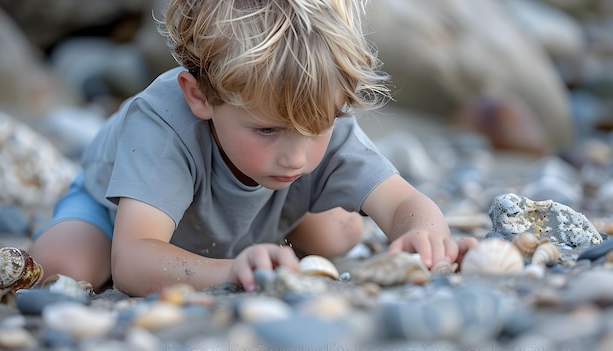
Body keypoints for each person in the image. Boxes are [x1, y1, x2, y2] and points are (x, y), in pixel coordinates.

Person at [29, 0, 476, 297]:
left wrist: (424, 237)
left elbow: (404, 202)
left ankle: (295, 222)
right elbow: (132, 259)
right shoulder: (162, 124)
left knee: (337, 238)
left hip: (266, 210)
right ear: (200, 96)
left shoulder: (314, 110)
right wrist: (230, 272)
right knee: (65, 266)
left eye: (317, 129)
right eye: (267, 130)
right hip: (117, 216)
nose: (296, 157)